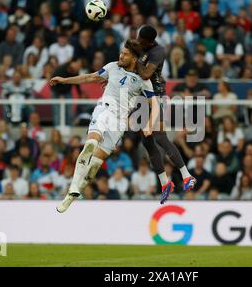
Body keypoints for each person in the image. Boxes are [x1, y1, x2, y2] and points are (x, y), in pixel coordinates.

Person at [50, 40, 159, 212]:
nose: (121, 56)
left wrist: (150, 125)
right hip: (104, 110)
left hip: (120, 123)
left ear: (134, 58)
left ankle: (71, 196)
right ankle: (73, 186)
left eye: (125, 54)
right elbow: (89, 77)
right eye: (121, 52)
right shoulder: (112, 67)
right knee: (91, 143)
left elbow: (156, 104)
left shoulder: (143, 80)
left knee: (94, 167)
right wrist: (64, 80)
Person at [134, 25, 198, 203]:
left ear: (149, 41)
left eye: (142, 40)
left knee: (161, 137)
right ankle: (165, 183)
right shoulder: (140, 48)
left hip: (156, 97)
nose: (139, 41)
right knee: (147, 141)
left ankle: (186, 176)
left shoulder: (158, 51)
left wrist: (135, 60)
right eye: (138, 38)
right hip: (141, 98)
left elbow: (146, 74)